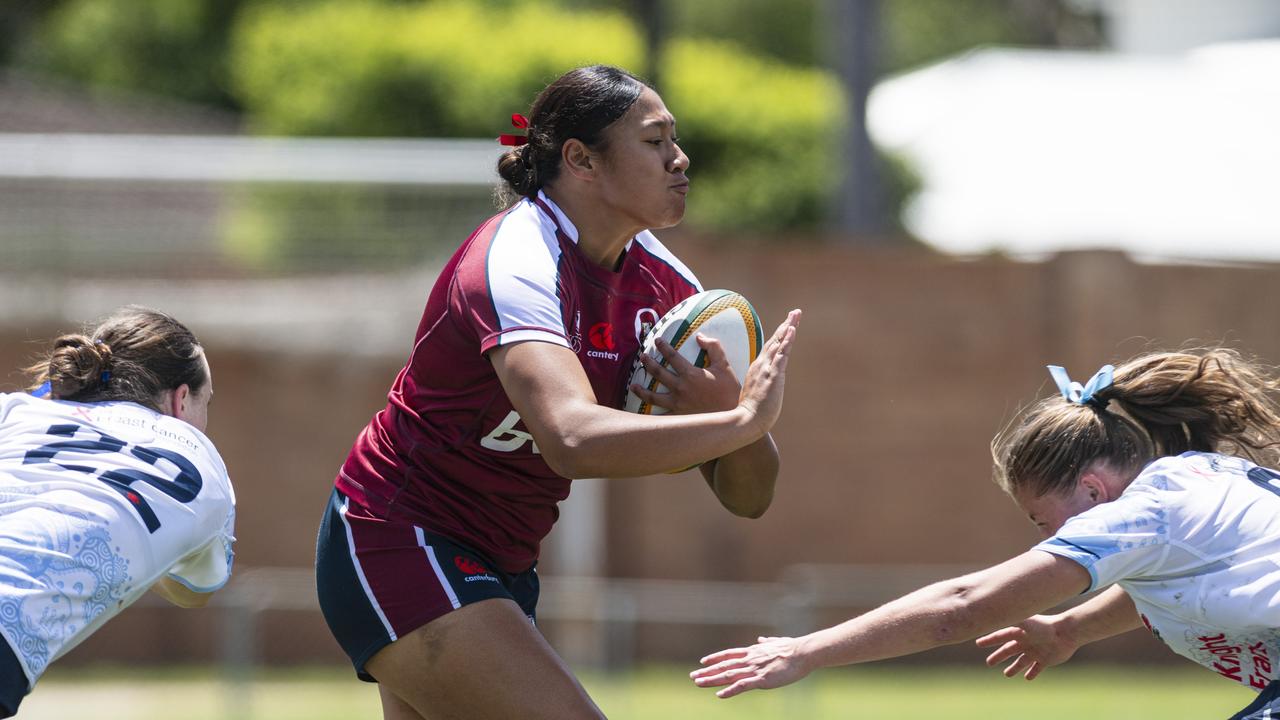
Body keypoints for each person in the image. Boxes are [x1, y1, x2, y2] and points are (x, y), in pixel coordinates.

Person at [314, 63, 800, 720]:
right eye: (655, 141)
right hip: (401, 535)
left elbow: (752, 498)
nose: (680, 159)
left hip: (503, 561)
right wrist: (741, 420)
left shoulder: (668, 290)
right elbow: (569, 438)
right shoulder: (517, 260)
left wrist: (735, 422)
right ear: (581, 159)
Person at [692, 348, 1280, 720]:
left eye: (1042, 521)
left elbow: (963, 606)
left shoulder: (1141, 511)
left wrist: (805, 650)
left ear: (1095, 491)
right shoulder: (1195, 481)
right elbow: (1170, 577)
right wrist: (1071, 628)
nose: (1047, 538)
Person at [0, 306, 236, 717]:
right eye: (206, 403)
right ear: (182, 400)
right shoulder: (203, 466)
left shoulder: (15, 411)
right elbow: (194, 590)